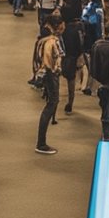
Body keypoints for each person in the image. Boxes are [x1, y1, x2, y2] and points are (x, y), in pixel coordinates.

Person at [35, 17, 65, 155]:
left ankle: (41, 142)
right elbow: (48, 59)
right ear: (58, 26)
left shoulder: (44, 39)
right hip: (50, 76)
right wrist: (53, 70)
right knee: (51, 104)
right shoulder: (51, 41)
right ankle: (41, 143)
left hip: (48, 75)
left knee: (51, 103)